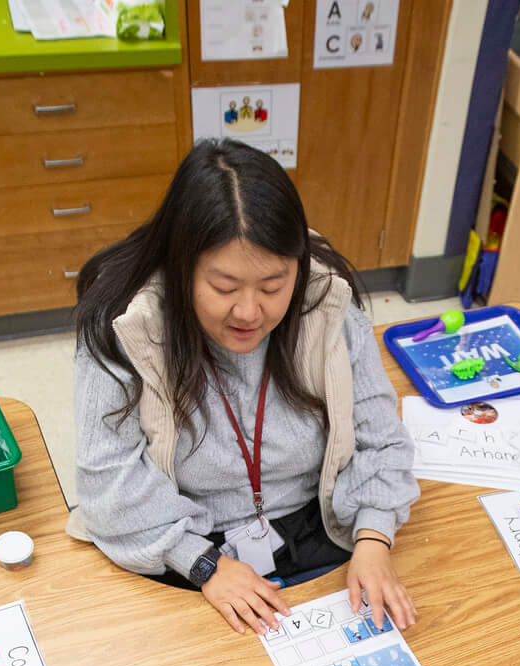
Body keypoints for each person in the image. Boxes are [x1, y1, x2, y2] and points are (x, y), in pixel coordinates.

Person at [70, 139, 420, 635]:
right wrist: (203, 563)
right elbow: (108, 482)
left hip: (321, 523)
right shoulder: (124, 324)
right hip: (183, 546)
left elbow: (381, 437)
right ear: (180, 266)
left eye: (273, 286)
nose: (250, 313)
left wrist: (373, 540)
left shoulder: (325, 301)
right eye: (225, 288)